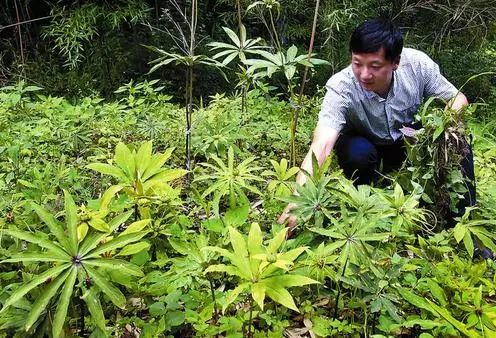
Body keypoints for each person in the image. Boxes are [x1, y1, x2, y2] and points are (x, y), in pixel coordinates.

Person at [278, 18, 476, 231]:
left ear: (395, 62)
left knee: (457, 142)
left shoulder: (417, 66)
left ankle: (464, 223)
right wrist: (297, 200)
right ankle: (364, 203)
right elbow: (322, 144)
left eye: (375, 66)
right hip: (364, 144)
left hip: (407, 140)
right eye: (357, 63)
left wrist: (437, 132)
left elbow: (458, 100)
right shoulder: (341, 87)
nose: (364, 74)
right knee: (357, 152)